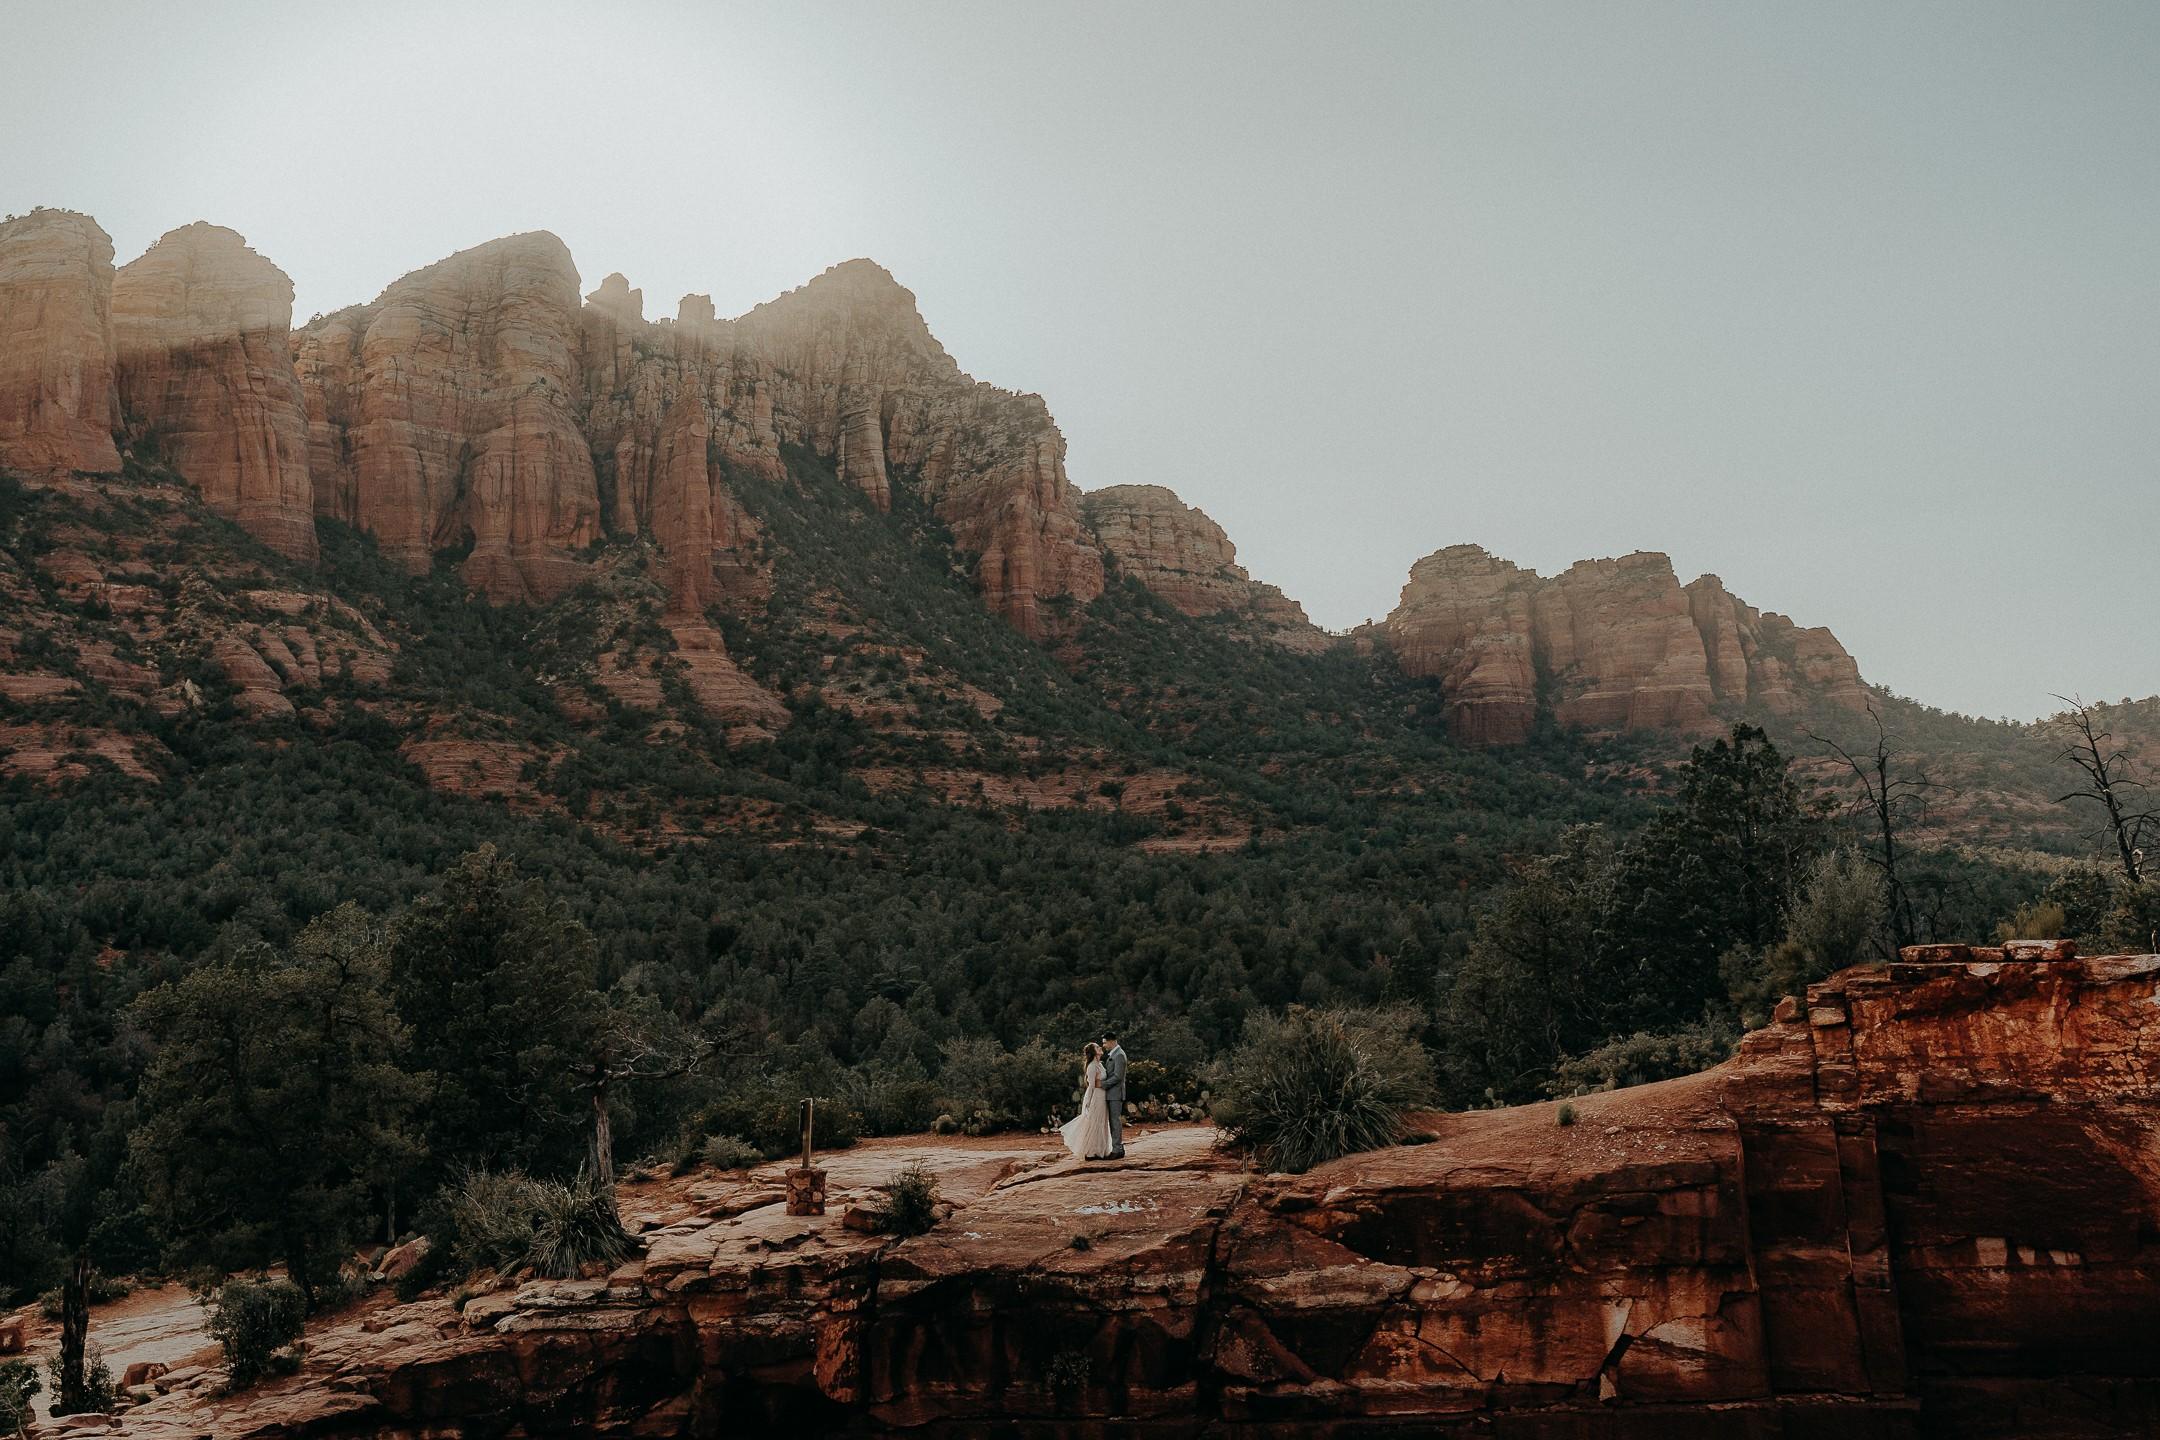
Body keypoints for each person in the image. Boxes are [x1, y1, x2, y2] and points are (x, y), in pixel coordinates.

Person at [1058, 1042, 1113, 1161]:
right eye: (1097, 1047)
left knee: (1102, 1122)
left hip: (1103, 1096)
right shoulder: (1092, 1066)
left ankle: (1101, 1150)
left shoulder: (1100, 1064)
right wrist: (1088, 1102)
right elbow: (1091, 1086)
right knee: (1095, 1122)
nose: (1100, 1048)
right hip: (1096, 1098)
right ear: (1093, 1052)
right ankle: (1091, 1152)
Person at [1100, 1030, 1128, 1159]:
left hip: (1116, 1094)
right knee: (1112, 1121)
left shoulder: (1119, 1055)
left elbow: (1118, 1076)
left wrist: (1102, 1084)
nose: (1104, 1046)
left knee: (1115, 1121)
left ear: (1112, 1041)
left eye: (1105, 1043)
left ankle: (1117, 1149)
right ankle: (1117, 1148)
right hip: (1111, 1094)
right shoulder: (1114, 1054)